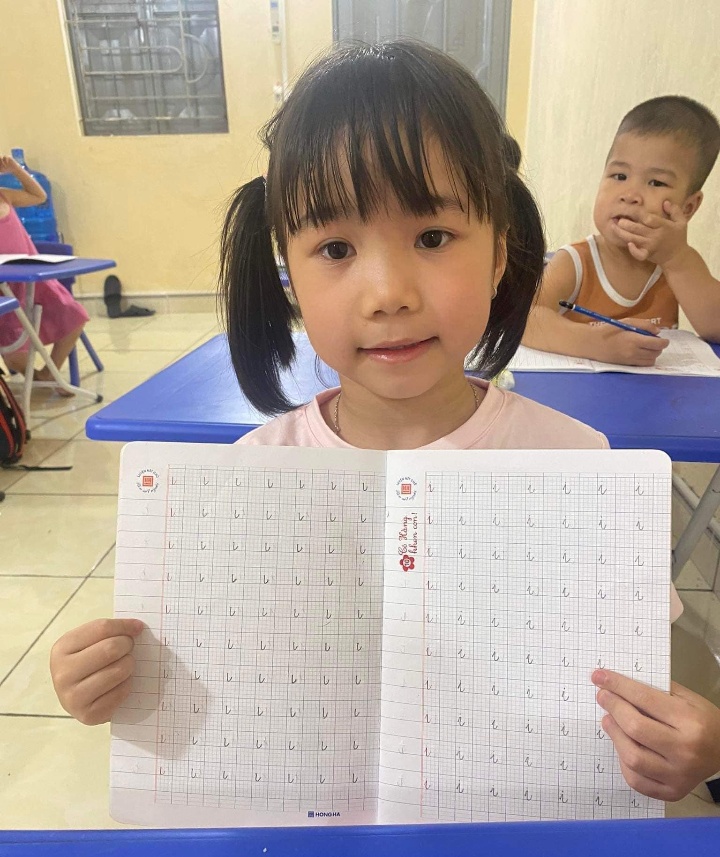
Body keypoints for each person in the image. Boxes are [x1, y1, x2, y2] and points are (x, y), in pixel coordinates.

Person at [50, 41, 720, 804]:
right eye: (335, 248)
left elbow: (650, 680)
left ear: (500, 254)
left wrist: (696, 744)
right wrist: (112, 683)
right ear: (290, 277)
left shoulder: (581, 465)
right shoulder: (243, 480)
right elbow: (191, 692)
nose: (387, 292)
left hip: (511, 841)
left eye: (432, 238)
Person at [523, 96, 720, 365]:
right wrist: (597, 344)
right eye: (619, 176)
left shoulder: (678, 265)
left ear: (687, 207)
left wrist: (676, 259)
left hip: (656, 389)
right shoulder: (577, 262)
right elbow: (527, 319)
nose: (630, 195)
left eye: (656, 182)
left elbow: (715, 327)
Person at [0, 154, 90, 393]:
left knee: (74, 316)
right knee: (13, 352)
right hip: (5, 287)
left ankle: (51, 373)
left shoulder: (5, 195)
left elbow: (39, 196)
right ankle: (39, 376)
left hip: (35, 279)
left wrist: (15, 170)